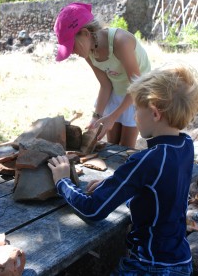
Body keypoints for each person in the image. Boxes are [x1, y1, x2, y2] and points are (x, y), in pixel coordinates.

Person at [48, 62, 198, 275]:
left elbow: (93, 210)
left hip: (149, 267)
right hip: (180, 262)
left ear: (155, 113)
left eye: (137, 110)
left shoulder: (148, 160)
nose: (135, 117)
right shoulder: (185, 145)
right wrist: (119, 187)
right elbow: (160, 193)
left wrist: (62, 181)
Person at [54, 2, 151, 148]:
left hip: (137, 94)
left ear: (86, 34)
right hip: (117, 90)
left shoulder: (121, 42)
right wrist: (96, 117)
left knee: (125, 147)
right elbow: (105, 85)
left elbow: (137, 85)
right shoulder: (88, 52)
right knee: (112, 144)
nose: (72, 52)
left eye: (72, 46)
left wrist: (112, 117)